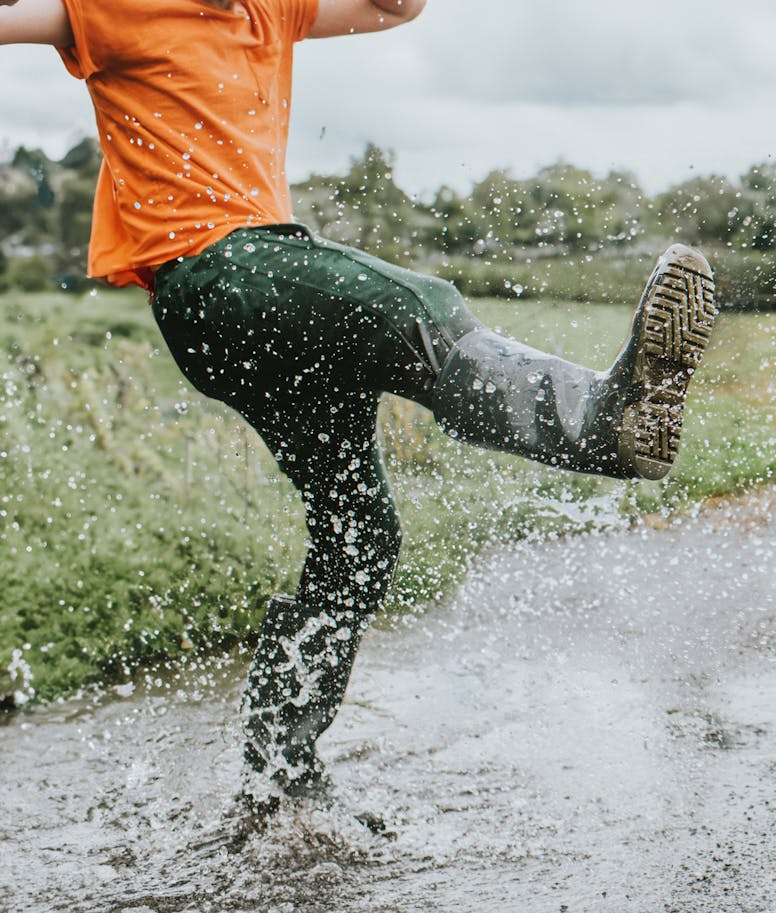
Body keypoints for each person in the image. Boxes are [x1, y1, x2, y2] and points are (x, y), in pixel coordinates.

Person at [0, 0, 718, 808]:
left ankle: (279, 772)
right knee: (421, 308)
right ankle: (599, 422)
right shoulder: (110, 5)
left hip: (261, 309)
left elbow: (394, 8)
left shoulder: (271, 9)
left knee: (360, 534)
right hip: (215, 278)